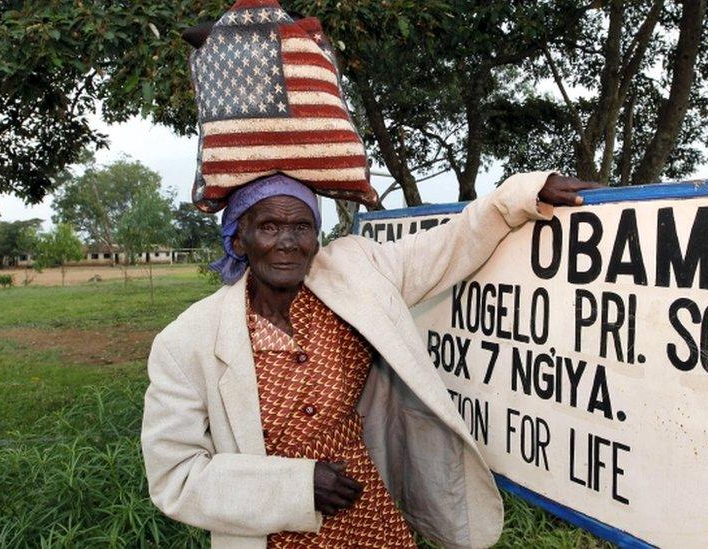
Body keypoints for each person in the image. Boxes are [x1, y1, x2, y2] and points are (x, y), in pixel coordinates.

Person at [141, 2, 600, 548]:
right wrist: (295, 484)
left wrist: (520, 194)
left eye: (301, 227)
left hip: (371, 523)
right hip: (272, 536)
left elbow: (450, 245)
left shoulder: (355, 271)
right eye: (268, 227)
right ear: (238, 237)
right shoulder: (187, 342)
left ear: (317, 234)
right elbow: (176, 477)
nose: (287, 242)